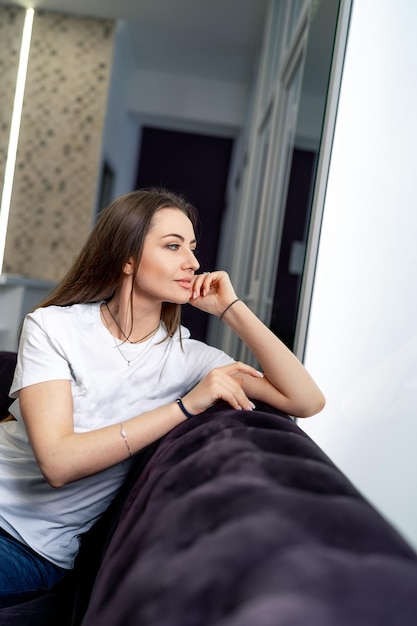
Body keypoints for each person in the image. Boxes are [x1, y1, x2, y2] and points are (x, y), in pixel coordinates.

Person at [0, 188, 325, 607]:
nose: (192, 262)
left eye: (192, 248)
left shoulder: (190, 361)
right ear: (127, 258)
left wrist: (232, 309)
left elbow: (306, 400)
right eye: (173, 246)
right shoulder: (52, 326)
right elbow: (57, 453)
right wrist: (185, 407)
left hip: (27, 546)